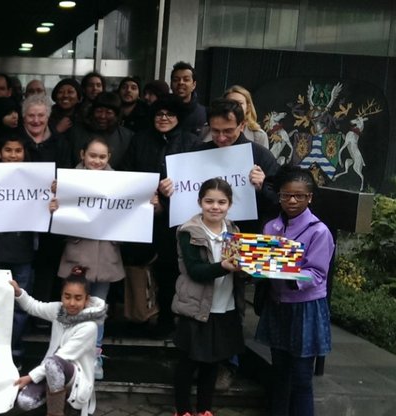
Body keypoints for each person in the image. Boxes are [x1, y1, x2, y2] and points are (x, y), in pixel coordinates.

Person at [256, 166, 334, 416]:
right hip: (278, 304)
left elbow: (318, 274)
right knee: (279, 372)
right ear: (278, 196)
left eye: (299, 196)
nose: (291, 200)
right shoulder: (271, 228)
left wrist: (289, 276)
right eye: (286, 195)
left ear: (309, 197)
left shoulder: (319, 231)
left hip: (305, 308)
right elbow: (263, 262)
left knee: (301, 377)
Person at [123, 95, 201, 335]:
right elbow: (129, 175)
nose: (164, 118)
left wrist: (166, 202)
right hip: (142, 215)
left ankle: (167, 319)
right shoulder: (140, 140)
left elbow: (197, 182)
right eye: (159, 114)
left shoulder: (191, 142)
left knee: (169, 270)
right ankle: (141, 317)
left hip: (176, 220)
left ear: (179, 118)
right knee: (138, 268)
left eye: (169, 114)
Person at [50, 137, 125, 380]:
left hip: (106, 256)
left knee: (97, 310)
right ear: (83, 154)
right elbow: (55, 216)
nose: (97, 161)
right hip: (77, 254)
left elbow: (135, 213)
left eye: (102, 157)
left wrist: (151, 205)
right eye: (93, 155)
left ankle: (94, 357)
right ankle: (66, 356)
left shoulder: (122, 183)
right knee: (72, 307)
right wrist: (53, 205)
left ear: (109, 158)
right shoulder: (68, 181)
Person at [171, 178, 247, 416]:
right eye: (209, 201)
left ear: (230, 204)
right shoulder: (188, 231)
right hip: (195, 307)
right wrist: (225, 266)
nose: (215, 207)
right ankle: (183, 410)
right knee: (188, 362)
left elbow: (240, 270)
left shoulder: (234, 231)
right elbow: (195, 270)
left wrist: (248, 271)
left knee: (213, 362)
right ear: (200, 202)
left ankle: (205, 410)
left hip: (225, 306)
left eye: (222, 202)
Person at [11, 266, 107, 416]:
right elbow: (34, 306)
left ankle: (56, 412)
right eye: (67, 297)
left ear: (86, 300)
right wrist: (18, 293)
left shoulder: (90, 326)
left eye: (78, 298)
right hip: (50, 370)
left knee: (53, 363)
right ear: (61, 296)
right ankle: (54, 401)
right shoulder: (59, 310)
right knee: (25, 402)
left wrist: (30, 377)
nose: (72, 303)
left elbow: (62, 357)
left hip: (76, 378)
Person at [0, 135, 38, 365]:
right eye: (8, 150)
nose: (13, 155)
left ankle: (14, 354)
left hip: (22, 251)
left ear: (24, 154)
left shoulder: (36, 180)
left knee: (19, 307)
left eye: (18, 151)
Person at [196, 98, 279, 233]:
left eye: (228, 131)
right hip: (203, 236)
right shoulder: (197, 154)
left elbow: (278, 203)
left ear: (242, 125)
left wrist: (264, 186)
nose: (221, 137)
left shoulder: (261, 156)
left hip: (246, 235)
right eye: (215, 131)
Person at [66, 92, 134, 169]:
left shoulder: (127, 137)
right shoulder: (75, 133)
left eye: (109, 113)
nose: (102, 116)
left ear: (116, 115)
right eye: (99, 111)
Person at [171, 61, 207, 136]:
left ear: (194, 85)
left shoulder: (204, 114)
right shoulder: (162, 112)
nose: (181, 83)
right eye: (176, 80)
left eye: (186, 79)